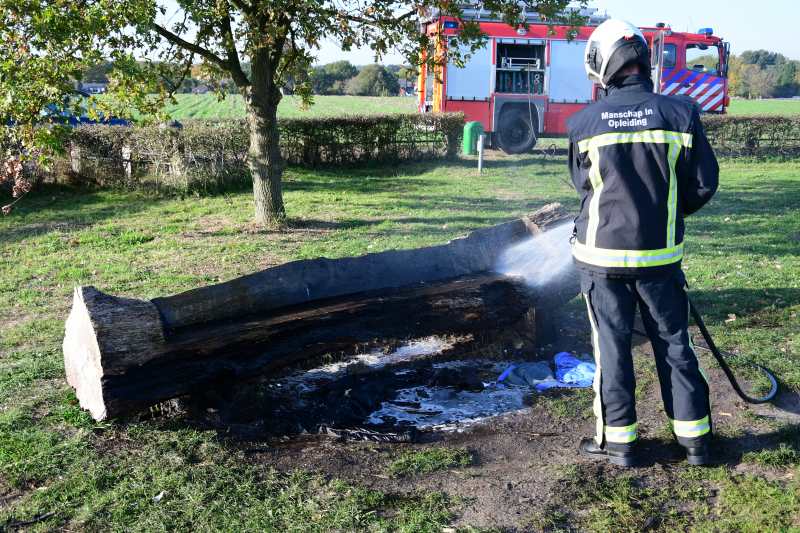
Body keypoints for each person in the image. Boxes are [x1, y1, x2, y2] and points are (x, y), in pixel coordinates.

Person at [565, 19, 719, 467]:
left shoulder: (582, 123)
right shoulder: (682, 114)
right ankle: (695, 442)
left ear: (602, 63)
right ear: (641, 59)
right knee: (674, 344)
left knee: (611, 347)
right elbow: (704, 184)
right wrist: (664, 214)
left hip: (599, 259)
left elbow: (583, 186)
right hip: (660, 259)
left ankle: (619, 444)